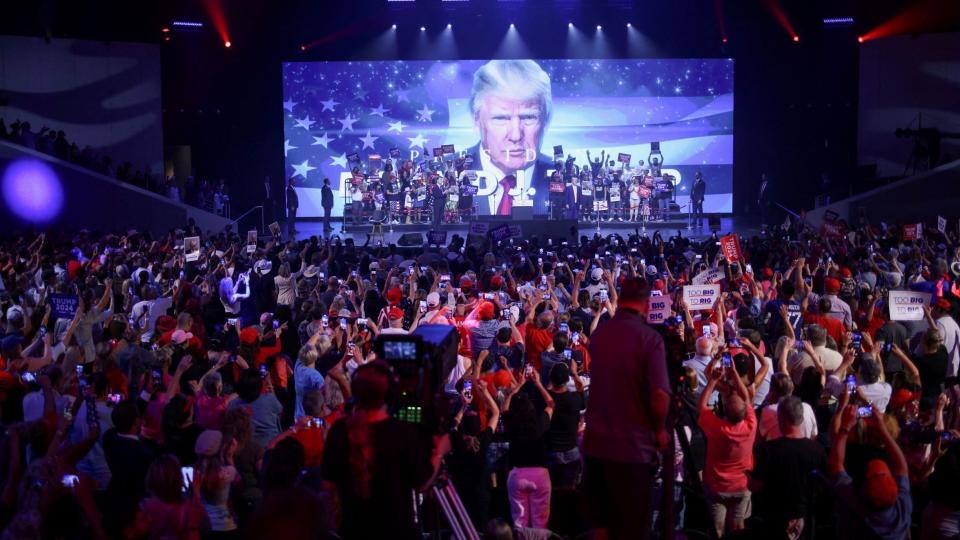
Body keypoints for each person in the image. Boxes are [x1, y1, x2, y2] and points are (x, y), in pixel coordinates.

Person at [583, 277, 671, 540]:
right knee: (631, 529)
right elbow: (659, 395)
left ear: (619, 300)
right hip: (632, 450)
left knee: (600, 527)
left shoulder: (599, 336)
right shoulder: (649, 339)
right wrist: (659, 431)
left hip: (596, 446)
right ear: (646, 305)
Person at [322, 361, 450, 539]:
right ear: (390, 394)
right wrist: (439, 451)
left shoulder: (339, 430)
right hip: (397, 531)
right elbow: (422, 483)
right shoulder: (403, 432)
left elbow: (328, 484)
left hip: (353, 531)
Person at [462, 59, 555, 215]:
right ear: (476, 119)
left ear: (546, 120)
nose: (516, 135)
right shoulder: (454, 172)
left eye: (528, 118)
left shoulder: (562, 176)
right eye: (500, 118)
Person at [829, 402, 912, 539]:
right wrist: (883, 429)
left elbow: (835, 464)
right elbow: (901, 468)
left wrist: (844, 427)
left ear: (863, 489)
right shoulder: (902, 512)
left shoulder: (855, 505)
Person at [697, 357, 757, 538]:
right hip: (741, 486)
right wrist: (735, 374)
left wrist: (714, 380)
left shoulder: (716, 428)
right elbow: (746, 397)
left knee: (717, 529)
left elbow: (701, 406)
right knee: (739, 528)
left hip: (717, 486)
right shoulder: (751, 425)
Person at [752, 396, 827, 538]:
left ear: (781, 417)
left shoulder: (769, 449)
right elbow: (823, 488)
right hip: (806, 518)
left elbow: (757, 485)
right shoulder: (817, 450)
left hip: (775, 519)